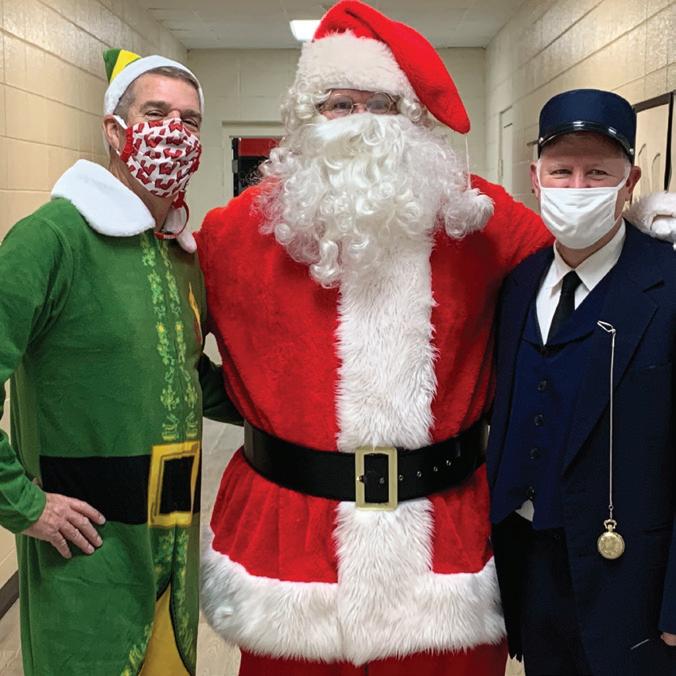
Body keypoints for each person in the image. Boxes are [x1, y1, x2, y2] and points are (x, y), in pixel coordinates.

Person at [198, 3, 674, 674]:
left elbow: (587, 254)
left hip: (445, 547)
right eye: (340, 104)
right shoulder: (231, 234)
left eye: (382, 105)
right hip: (291, 551)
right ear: (307, 119)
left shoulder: (478, 221)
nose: (362, 121)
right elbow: (164, 351)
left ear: (416, 121)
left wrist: (648, 231)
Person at [0, 48, 237, 675]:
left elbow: (187, 374)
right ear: (115, 129)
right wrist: (24, 504)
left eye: (189, 120)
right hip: (88, 546)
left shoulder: (180, 254)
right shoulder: (50, 239)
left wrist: (288, 412)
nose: (174, 131)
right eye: (155, 113)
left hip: (174, 529)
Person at [487, 89, 676, 675]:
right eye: (561, 171)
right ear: (535, 179)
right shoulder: (519, 284)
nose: (576, 187)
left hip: (635, 573)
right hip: (531, 560)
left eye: (597, 173)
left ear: (630, 182)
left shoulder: (667, 284)